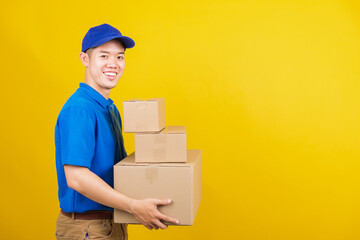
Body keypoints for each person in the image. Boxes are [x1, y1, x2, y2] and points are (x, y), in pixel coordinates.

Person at [55, 23, 179, 240]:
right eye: (104, 56)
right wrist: (133, 205)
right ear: (85, 59)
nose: (113, 64)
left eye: (119, 57)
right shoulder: (80, 109)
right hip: (87, 228)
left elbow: (116, 170)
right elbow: (76, 178)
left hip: (113, 222)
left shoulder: (109, 108)